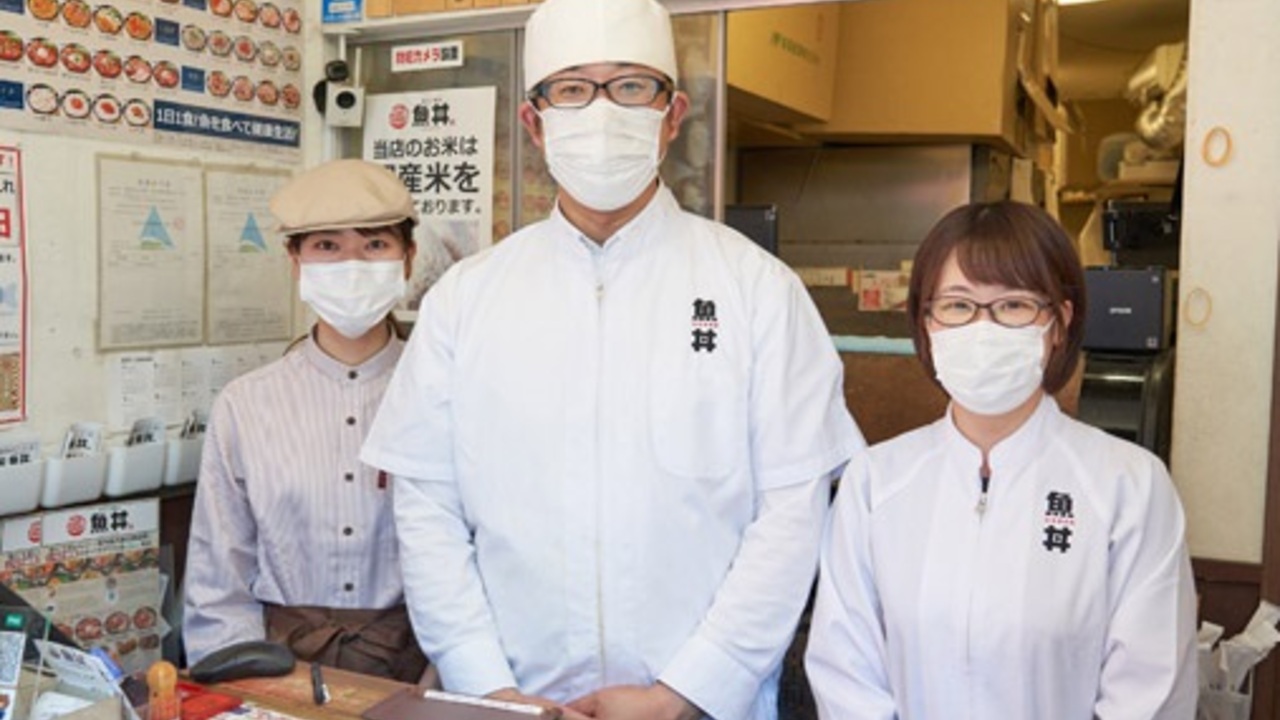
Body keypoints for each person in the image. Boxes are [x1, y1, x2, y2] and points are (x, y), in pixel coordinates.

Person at [359, 0, 864, 717]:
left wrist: (685, 691)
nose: (601, 111)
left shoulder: (757, 291)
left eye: (630, 86)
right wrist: (487, 685)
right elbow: (427, 509)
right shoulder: (466, 300)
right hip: (513, 699)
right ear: (534, 122)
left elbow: (792, 512)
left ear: (672, 114)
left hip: (700, 706)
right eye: (572, 89)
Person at [805, 201, 1198, 719]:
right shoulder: (875, 482)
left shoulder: (1129, 485)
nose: (983, 327)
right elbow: (846, 668)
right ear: (926, 323)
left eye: (1013, 305)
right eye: (958, 305)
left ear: (1059, 322)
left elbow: (1150, 688)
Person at [183, 159, 429, 682]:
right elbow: (219, 577)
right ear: (295, 261)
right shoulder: (246, 404)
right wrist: (244, 688)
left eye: (375, 244)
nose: (351, 264)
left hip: (422, 664)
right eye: (327, 246)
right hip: (276, 668)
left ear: (408, 258)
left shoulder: (444, 393)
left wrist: (449, 679)